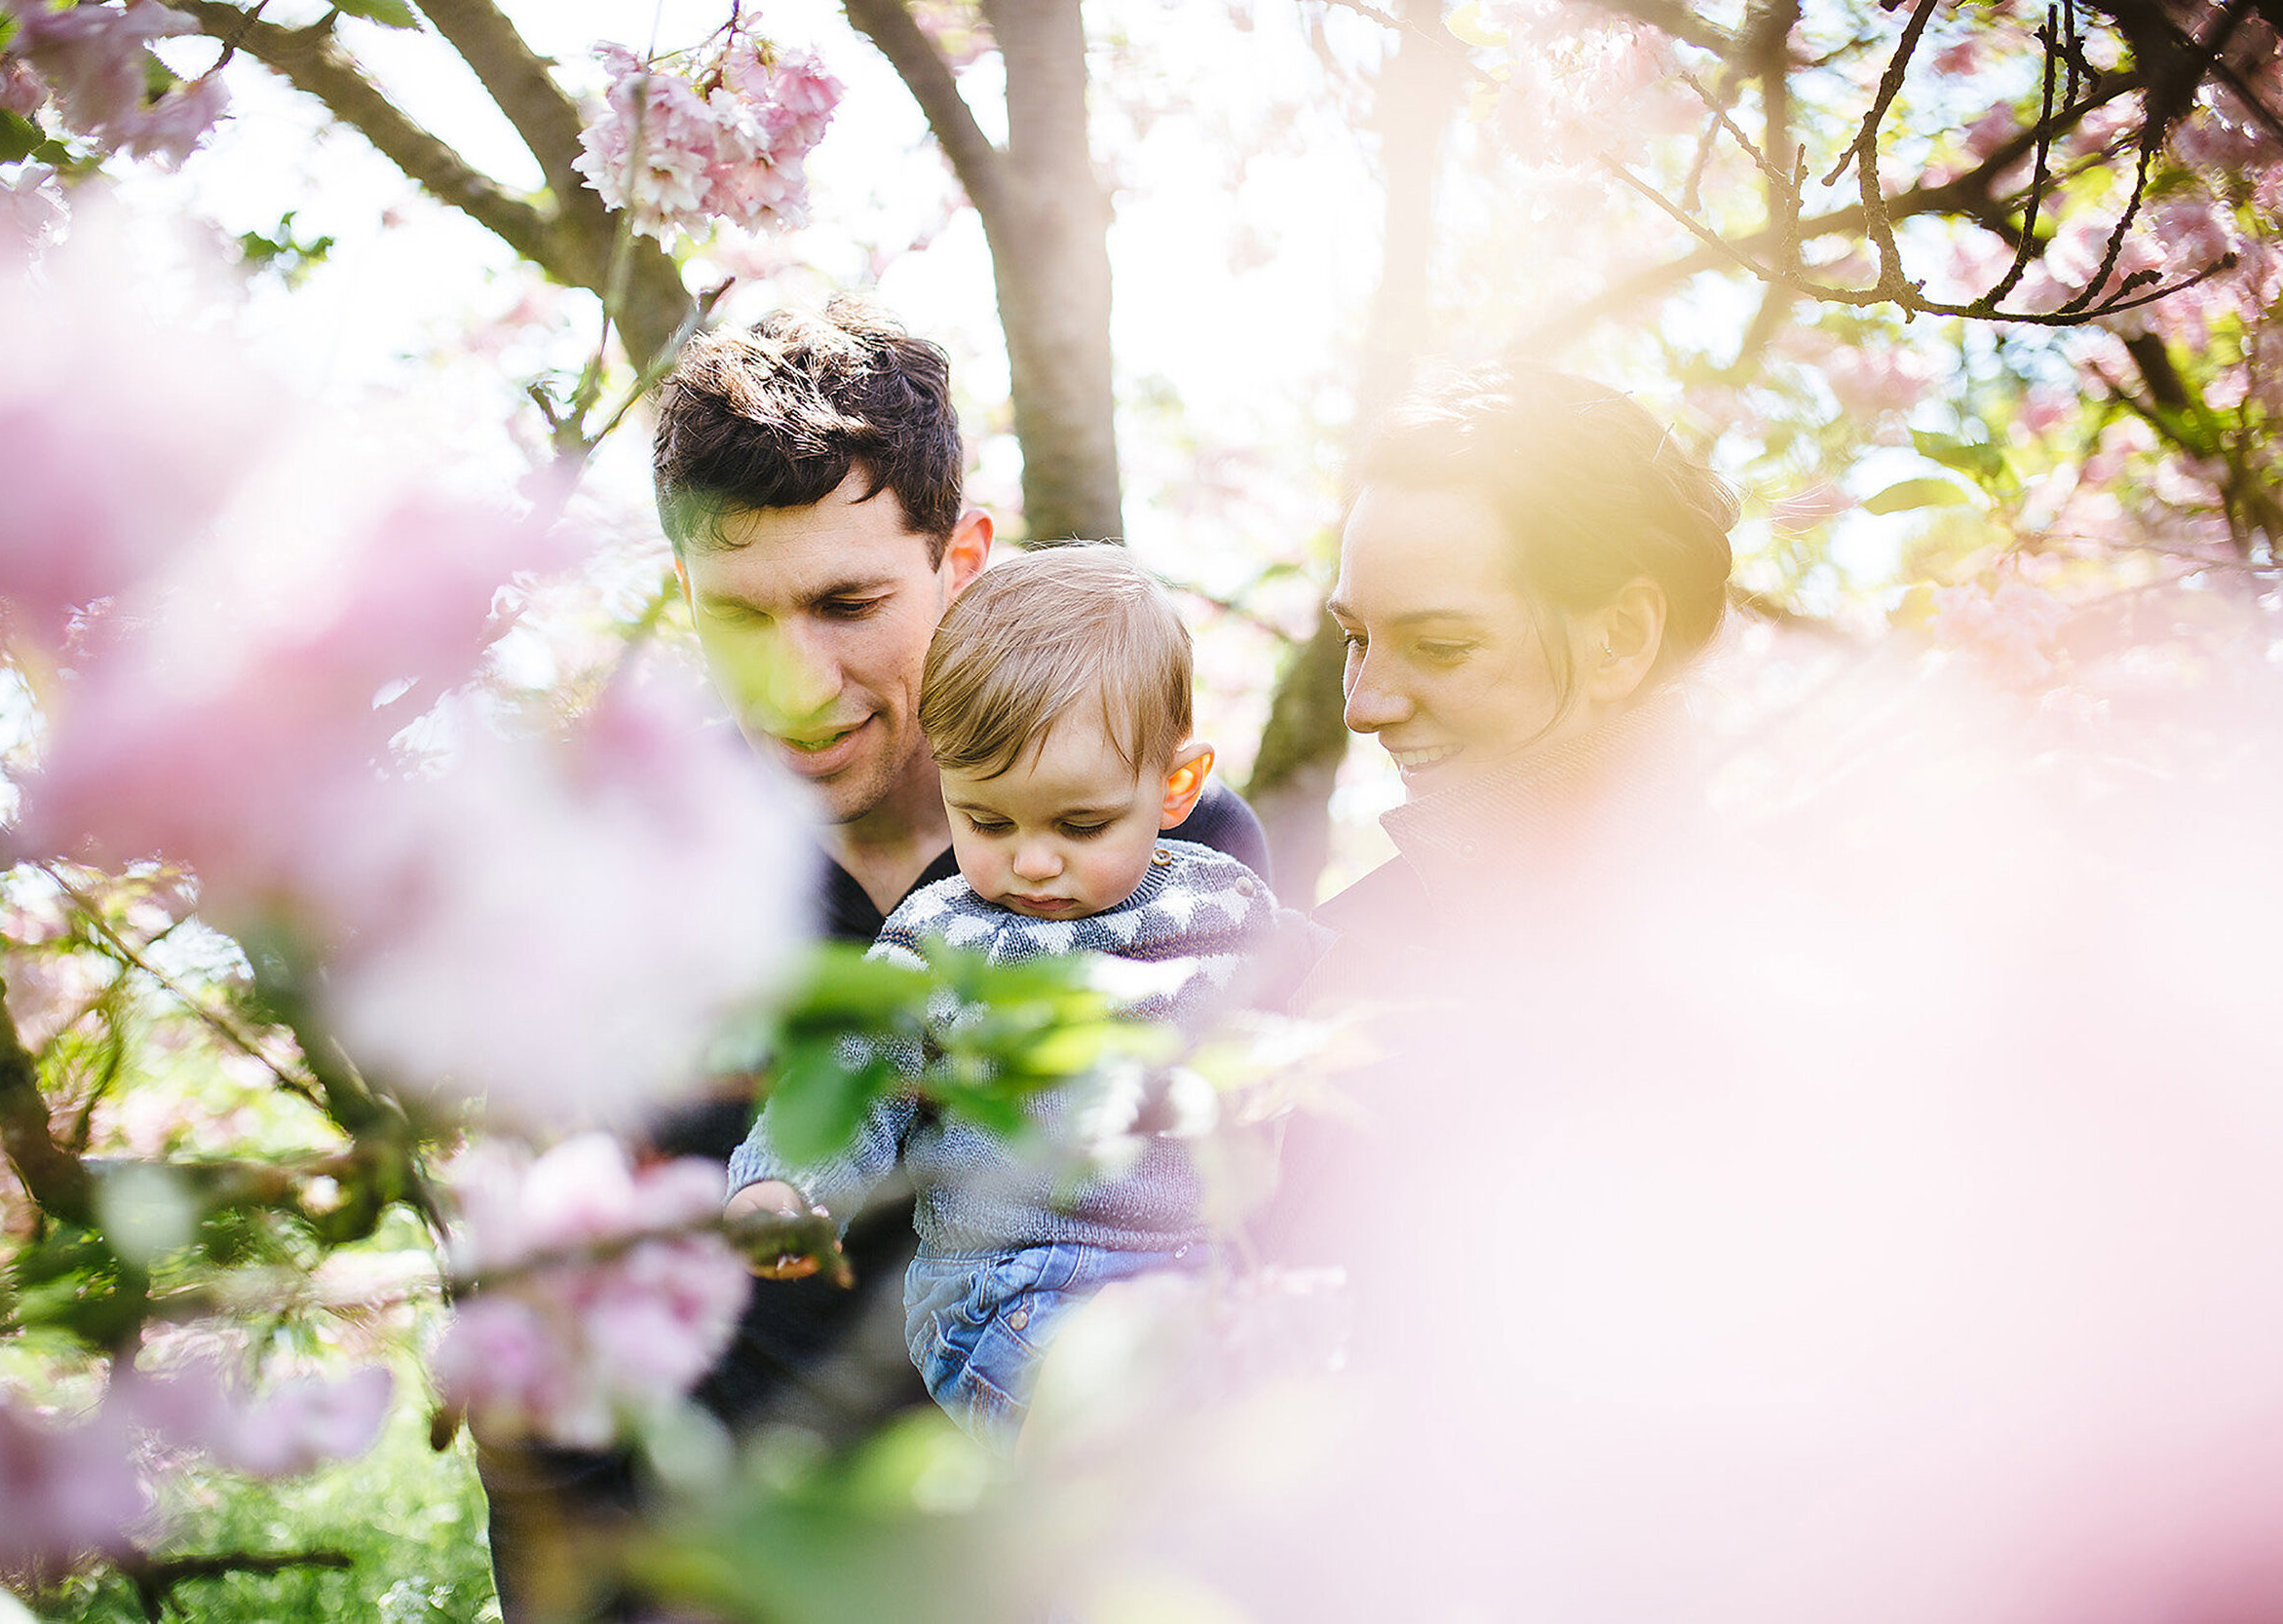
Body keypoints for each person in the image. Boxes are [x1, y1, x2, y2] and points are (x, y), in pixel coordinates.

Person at [477, 299, 1270, 1620]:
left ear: (961, 556)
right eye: (741, 615)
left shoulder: (1173, 852)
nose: (799, 677)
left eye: (849, 603)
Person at [720, 547, 1307, 1443]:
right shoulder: (941, 939)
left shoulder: (1222, 901)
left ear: (1177, 785)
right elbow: (847, 1075)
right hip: (1018, 1293)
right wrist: (784, 1190)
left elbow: (1315, 993)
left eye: (1082, 824)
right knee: (1107, 1457)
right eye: (987, 821)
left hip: (1201, 1273)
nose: (1032, 861)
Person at [1310, 363, 1737, 982]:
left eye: (1439, 645)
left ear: (1621, 638)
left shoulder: (1773, 974)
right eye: (1355, 638)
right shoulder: (1343, 960)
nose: (1363, 708)